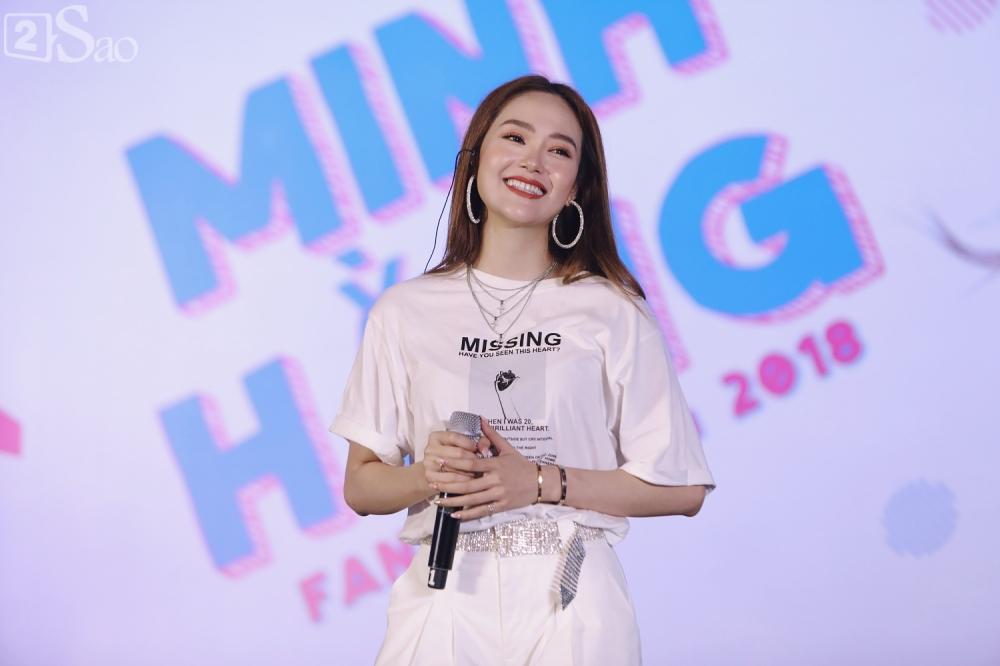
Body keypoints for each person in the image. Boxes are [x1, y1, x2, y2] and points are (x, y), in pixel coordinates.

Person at [329, 74, 715, 665]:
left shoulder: (612, 309)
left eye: (560, 150)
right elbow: (361, 485)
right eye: (515, 137)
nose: (533, 161)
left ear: (576, 187)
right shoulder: (404, 310)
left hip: (571, 593)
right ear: (475, 159)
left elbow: (682, 487)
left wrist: (538, 482)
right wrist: (432, 475)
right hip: (444, 593)